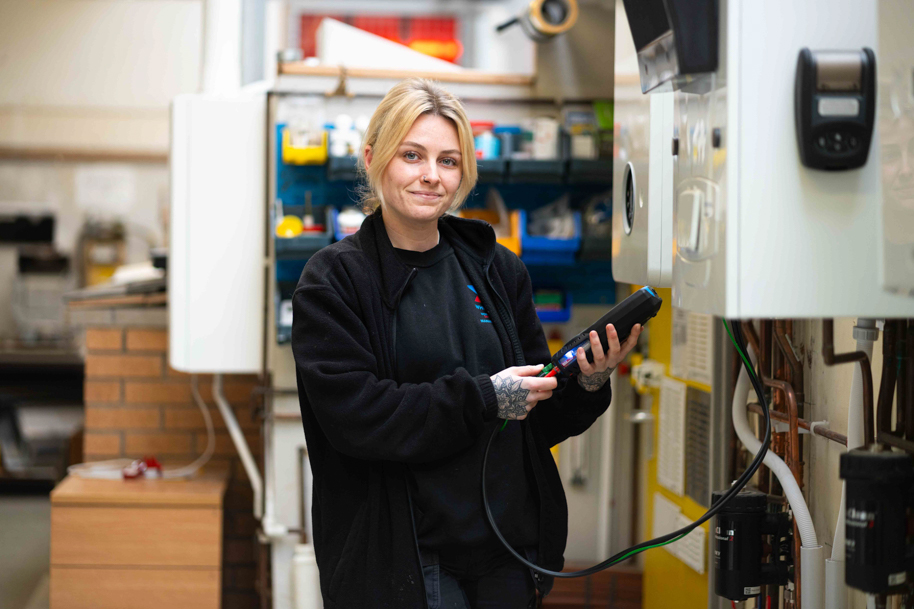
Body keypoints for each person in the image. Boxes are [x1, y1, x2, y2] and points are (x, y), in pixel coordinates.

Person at [291, 78, 641, 609]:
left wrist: (588, 378)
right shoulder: (335, 280)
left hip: (507, 552)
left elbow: (534, 421)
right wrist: (484, 398)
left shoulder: (496, 269)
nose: (431, 176)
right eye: (412, 156)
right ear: (372, 159)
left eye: (448, 161)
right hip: (407, 560)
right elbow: (357, 417)